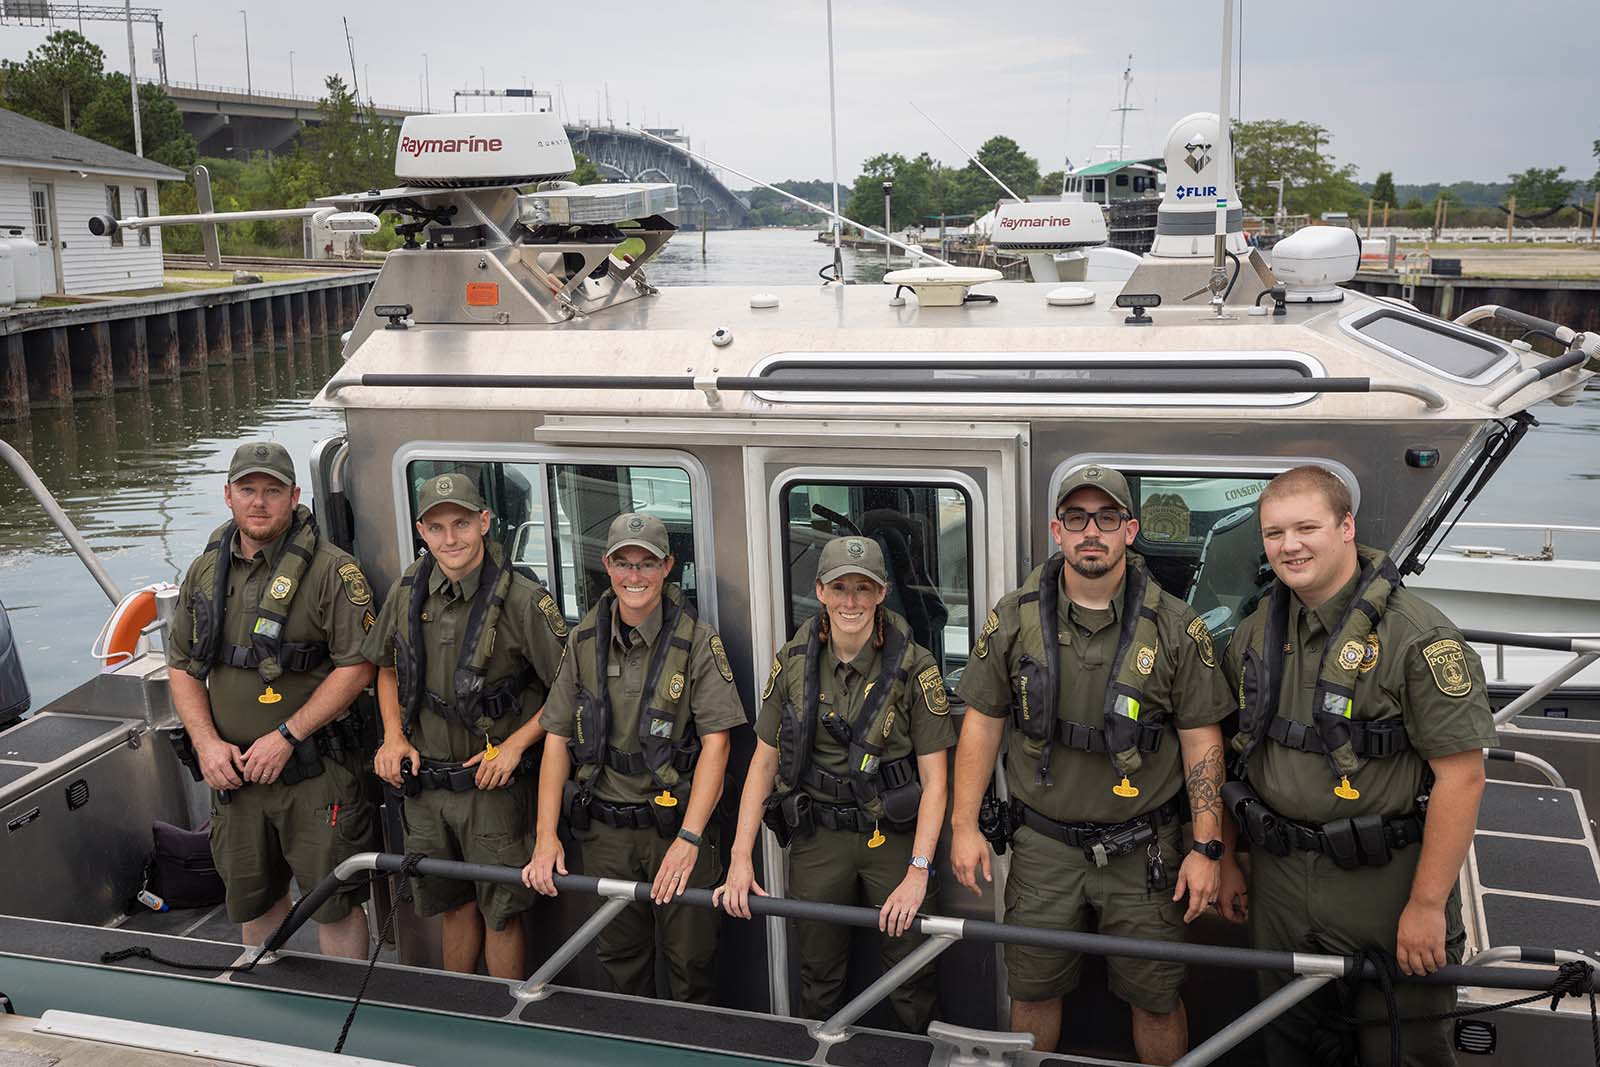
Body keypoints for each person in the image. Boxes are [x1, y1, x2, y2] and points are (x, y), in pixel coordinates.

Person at [949, 463, 1236, 1065]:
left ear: (1130, 530)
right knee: (1031, 991)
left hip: (1145, 852)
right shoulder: (1014, 617)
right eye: (1077, 518)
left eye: (1106, 518)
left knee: (1157, 998)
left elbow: (1202, 740)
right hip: (1043, 849)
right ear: (1057, 529)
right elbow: (982, 721)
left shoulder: (1179, 628)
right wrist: (963, 825)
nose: (1091, 532)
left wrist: (1208, 848)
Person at [1218, 465, 1494, 1065]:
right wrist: (1234, 858)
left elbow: (1462, 776)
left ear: (1346, 528)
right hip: (1279, 883)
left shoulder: (1417, 638)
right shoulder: (1253, 635)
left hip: (1385, 883)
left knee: (1404, 1046)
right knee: (1287, 1045)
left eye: (1306, 527)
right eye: (1274, 533)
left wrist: (1424, 905)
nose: (1289, 546)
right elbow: (1239, 753)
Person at [715, 536, 955, 1032]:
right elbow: (763, 764)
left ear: (882, 593)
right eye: (840, 587)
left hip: (892, 837)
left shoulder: (915, 667)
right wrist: (741, 858)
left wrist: (918, 870)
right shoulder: (793, 663)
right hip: (818, 837)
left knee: (913, 976)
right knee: (818, 976)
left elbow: (935, 780)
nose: (852, 601)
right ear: (820, 591)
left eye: (863, 588)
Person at [166, 441, 377, 958]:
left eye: (272, 491)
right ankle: (265, 1001)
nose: (259, 502)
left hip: (314, 773)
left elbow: (359, 666)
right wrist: (207, 744)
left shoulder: (333, 572)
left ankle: (350, 1020)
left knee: (335, 903)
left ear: (294, 496)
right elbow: (182, 666)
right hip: (233, 776)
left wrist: (287, 735)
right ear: (228, 496)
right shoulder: (203, 571)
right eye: (248, 490)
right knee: (255, 902)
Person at [522, 512, 744, 1002]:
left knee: (692, 965)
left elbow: (717, 745)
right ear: (607, 565)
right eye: (624, 562)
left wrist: (690, 838)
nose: (635, 576)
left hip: (676, 833)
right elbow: (556, 738)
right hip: (605, 832)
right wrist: (545, 837)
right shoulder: (582, 642)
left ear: (668, 567)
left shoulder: (698, 643)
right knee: (620, 967)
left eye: (647, 563)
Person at [363, 474, 566, 979]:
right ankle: (461, 1008)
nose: (450, 539)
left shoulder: (523, 601)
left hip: (492, 790)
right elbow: (384, 665)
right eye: (437, 527)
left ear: (484, 522)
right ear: (421, 531)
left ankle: (503, 1029)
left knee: (502, 914)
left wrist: (516, 746)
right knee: (452, 907)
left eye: (460, 524)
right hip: (426, 786)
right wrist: (392, 735)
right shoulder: (409, 589)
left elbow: (569, 690)